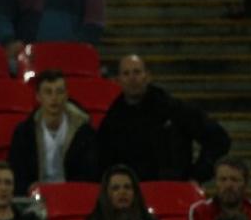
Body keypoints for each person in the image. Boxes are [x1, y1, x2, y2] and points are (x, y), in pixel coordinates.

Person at [98, 54, 230, 182]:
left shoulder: (173, 109)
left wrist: (197, 175)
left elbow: (218, 139)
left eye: (137, 72)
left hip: (173, 192)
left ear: (148, 76)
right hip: (131, 197)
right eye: (126, 74)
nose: (132, 78)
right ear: (118, 80)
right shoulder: (112, 120)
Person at [7, 69, 98, 195]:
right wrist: (29, 188)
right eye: (48, 92)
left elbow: (91, 175)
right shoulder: (24, 133)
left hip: (73, 195)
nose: (54, 98)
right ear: (38, 97)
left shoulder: (85, 133)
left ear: (66, 95)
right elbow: (16, 174)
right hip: (35, 197)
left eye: (59, 92)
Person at [0, 0, 104, 66]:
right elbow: (1, 15)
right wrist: (8, 41)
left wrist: (78, 49)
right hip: (25, 60)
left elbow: (94, 22)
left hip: (72, 61)